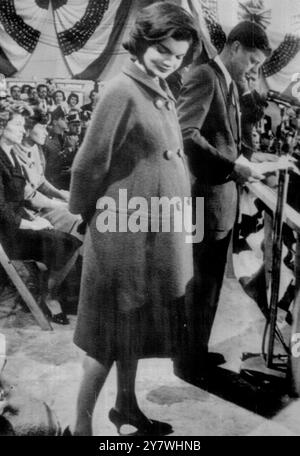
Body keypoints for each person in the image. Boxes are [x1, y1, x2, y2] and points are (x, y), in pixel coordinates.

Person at [69, 1, 198, 436]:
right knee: (104, 343)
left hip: (148, 241)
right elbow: (87, 167)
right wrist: (95, 221)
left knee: (132, 335)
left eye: (178, 55)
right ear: (143, 41)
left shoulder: (158, 89)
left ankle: (126, 408)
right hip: (121, 243)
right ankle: (81, 426)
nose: (169, 60)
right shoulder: (121, 90)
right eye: (163, 49)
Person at [176, 21, 272, 382]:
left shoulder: (229, 85)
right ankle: (187, 360)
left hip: (221, 198)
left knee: (210, 283)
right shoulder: (205, 76)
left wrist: (247, 99)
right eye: (251, 60)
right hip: (207, 197)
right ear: (233, 48)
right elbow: (187, 133)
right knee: (201, 282)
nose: (253, 69)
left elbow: (235, 140)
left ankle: (195, 351)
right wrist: (231, 166)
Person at [0, 100, 82, 325]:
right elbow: (2, 210)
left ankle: (45, 293)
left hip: (20, 222)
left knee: (70, 241)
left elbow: (24, 193)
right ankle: (46, 296)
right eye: (17, 126)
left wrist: (33, 218)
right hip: (8, 233)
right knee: (69, 243)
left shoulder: (9, 155)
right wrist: (31, 223)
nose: (22, 130)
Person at [13, 107, 81, 236]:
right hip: (28, 212)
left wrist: (62, 195)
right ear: (28, 129)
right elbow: (29, 197)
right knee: (75, 220)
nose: (46, 132)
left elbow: (40, 181)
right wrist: (61, 204)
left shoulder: (35, 148)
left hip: (40, 205)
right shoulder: (14, 152)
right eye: (42, 127)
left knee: (79, 216)